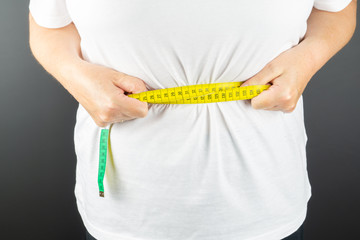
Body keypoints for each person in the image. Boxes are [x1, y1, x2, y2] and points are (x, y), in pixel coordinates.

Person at [28, 0, 357, 239]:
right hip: (128, 213)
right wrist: (74, 75)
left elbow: (338, 9)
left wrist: (309, 56)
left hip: (265, 206)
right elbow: (47, 25)